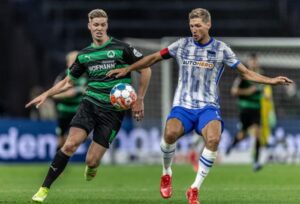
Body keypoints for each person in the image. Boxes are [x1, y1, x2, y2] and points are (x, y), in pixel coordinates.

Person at [107, 8, 292, 204]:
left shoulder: (221, 49)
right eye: (191, 26)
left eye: (197, 26)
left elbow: (245, 72)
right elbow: (152, 58)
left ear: (208, 25)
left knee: (213, 139)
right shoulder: (182, 45)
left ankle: (194, 188)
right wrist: (128, 68)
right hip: (183, 106)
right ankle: (166, 172)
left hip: (208, 107)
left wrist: (270, 80)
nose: (194, 30)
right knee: (169, 134)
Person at [26, 9, 151, 203]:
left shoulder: (122, 48)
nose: (99, 28)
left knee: (92, 160)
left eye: (102, 24)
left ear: (106, 25)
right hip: (90, 104)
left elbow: (146, 68)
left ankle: (92, 167)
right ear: (89, 26)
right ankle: (43, 189)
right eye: (96, 25)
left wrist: (140, 99)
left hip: (113, 112)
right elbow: (68, 82)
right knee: (70, 144)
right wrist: (46, 94)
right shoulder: (85, 55)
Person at [226, 53, 264, 171]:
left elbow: (263, 90)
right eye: (251, 61)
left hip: (257, 109)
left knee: (258, 133)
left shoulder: (260, 76)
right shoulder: (242, 76)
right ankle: (232, 144)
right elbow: (233, 91)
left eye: (255, 61)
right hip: (245, 109)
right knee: (242, 135)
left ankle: (256, 162)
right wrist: (249, 91)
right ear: (248, 63)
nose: (253, 63)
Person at [52, 50, 87, 151]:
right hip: (64, 112)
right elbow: (54, 95)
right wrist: (67, 94)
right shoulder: (63, 76)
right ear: (68, 63)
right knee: (61, 141)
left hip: (78, 112)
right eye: (73, 61)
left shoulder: (86, 75)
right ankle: (57, 162)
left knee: (78, 137)